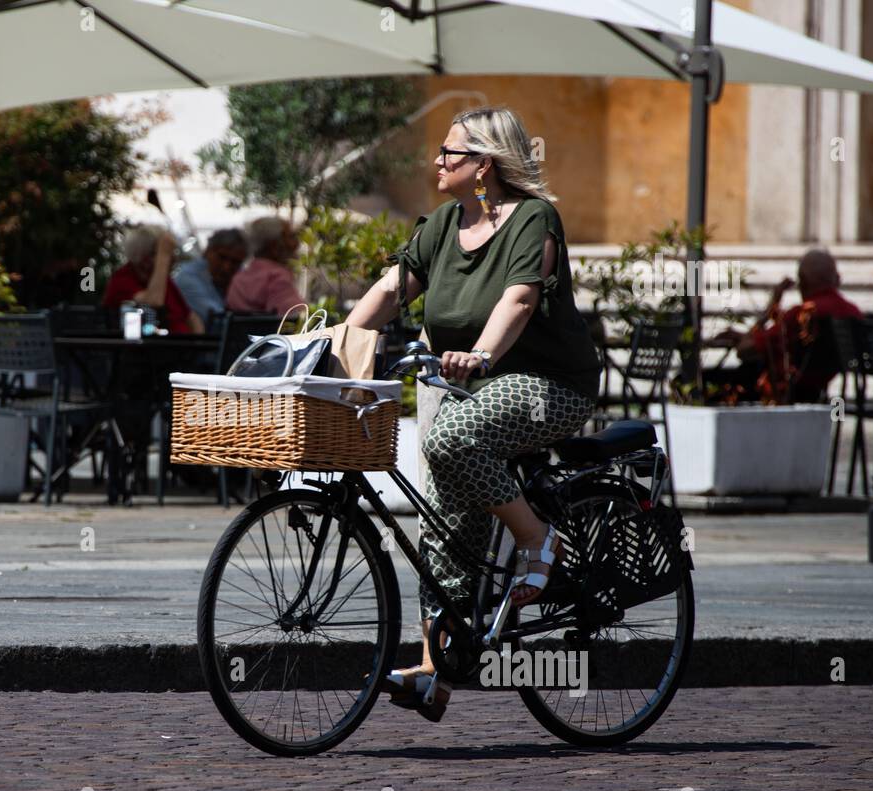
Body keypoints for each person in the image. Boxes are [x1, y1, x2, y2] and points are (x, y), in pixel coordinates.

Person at [345, 105, 602, 722]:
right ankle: (437, 672)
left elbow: (518, 299)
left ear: (484, 164)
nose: (436, 161)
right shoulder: (441, 225)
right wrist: (339, 336)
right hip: (464, 385)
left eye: (450, 153)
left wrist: (482, 354)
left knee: (451, 440)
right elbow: (391, 288)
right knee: (439, 525)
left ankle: (538, 539)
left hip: (544, 384)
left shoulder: (533, 218)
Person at [709, 249, 862, 403]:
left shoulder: (801, 315)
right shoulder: (852, 312)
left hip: (781, 393)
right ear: (836, 278)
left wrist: (769, 311)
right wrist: (745, 336)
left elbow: (744, 350)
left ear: (803, 281)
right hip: (817, 389)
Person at [103, 226, 204, 335]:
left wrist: (198, 343)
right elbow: (154, 303)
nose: (173, 258)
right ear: (144, 256)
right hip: (150, 347)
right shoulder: (122, 280)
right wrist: (164, 257)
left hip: (183, 348)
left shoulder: (164, 281)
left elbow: (191, 317)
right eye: (166, 253)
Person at [225, 216, 305, 317]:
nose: (296, 244)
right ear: (274, 247)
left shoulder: (238, 279)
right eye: (291, 237)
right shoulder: (277, 277)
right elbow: (295, 316)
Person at [173, 229, 248, 333]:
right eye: (222, 257)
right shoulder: (188, 277)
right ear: (208, 251)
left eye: (235, 262)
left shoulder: (239, 277)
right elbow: (218, 320)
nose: (227, 267)